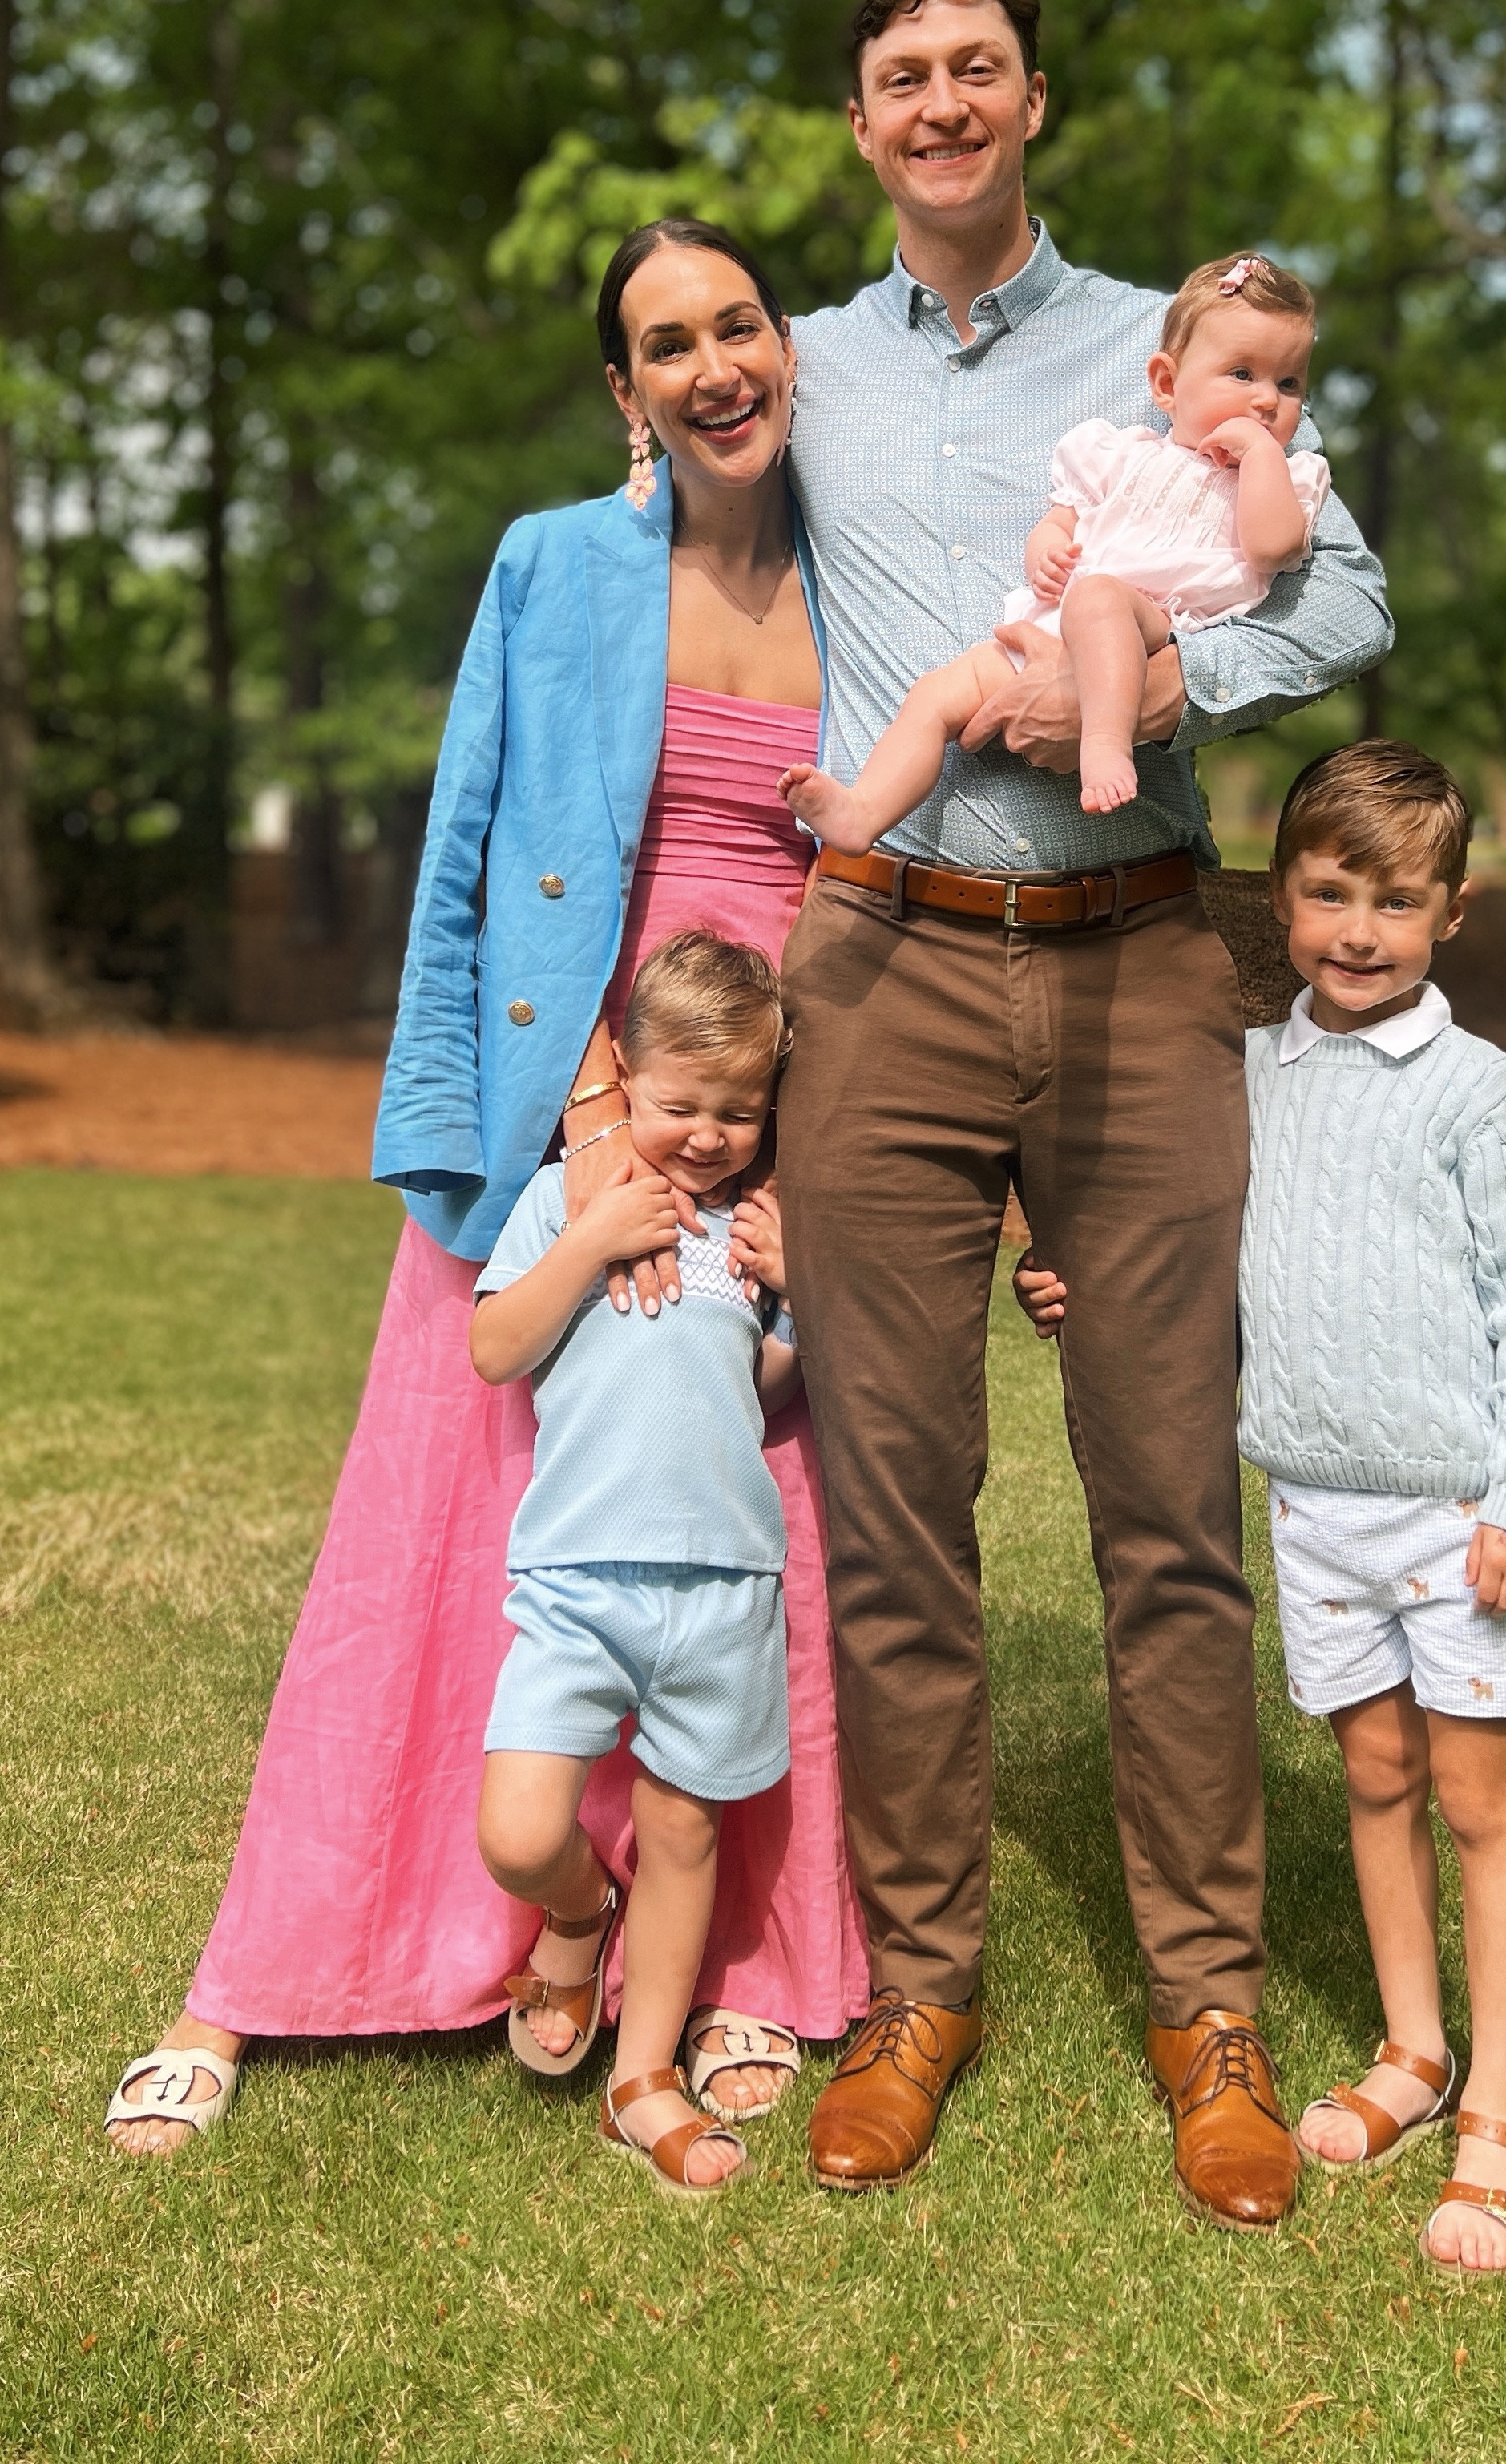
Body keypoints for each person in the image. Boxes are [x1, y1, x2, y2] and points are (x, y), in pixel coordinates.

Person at [104, 219, 869, 2159]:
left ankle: (757, 1966)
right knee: (438, 1537)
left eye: (738, 324)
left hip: (779, 1124)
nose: (713, 364)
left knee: (756, 1523)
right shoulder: (554, 567)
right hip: (575, 1115)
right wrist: (564, 1123)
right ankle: (301, 1966)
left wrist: (832, 1176)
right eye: (665, 343)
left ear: (789, 346)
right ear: (627, 394)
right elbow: (466, 857)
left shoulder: (871, 577)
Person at [775, 0, 1392, 2216]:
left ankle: (1203, 1999)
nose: (941, 103)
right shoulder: (804, 363)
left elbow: (1341, 606)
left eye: (977, 68)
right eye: (900, 76)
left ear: (1031, 100)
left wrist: (1132, 680)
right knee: (890, 1500)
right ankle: (917, 1979)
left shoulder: (1176, 343)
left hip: (1138, 959)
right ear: (860, 125)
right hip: (884, 975)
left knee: (1164, 1512)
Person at [1246, 741, 1506, 2275]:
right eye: (1328, 892)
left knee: (1473, 1796)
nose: (1357, 929)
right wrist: (1067, 1282)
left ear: (1449, 913)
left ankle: (1497, 2111)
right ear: (1280, 895)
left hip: (1456, 1516)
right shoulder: (1253, 1069)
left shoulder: (1477, 1089)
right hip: (1313, 1506)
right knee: (1371, 1776)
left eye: (1395, 899)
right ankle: (1408, 2047)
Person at [471, 931, 800, 2199]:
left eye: (738, 1111)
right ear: (626, 1083)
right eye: (678, 1106)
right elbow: (496, 1348)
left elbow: (761, 1395)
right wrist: (588, 1235)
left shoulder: (749, 1229)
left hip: (722, 1584)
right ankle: (570, 1914)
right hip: (575, 1582)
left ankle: (644, 2077)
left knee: (684, 1834)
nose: (708, 1135)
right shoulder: (568, 1196)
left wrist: (798, 1297)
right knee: (518, 1830)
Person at [779, 251, 1326, 838]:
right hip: (1047, 626)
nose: (1267, 400)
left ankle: (1106, 742)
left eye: (1288, 383)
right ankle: (864, 812)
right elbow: (1062, 518)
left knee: (1099, 598)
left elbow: (1272, 548)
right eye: (1242, 375)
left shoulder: (1286, 477)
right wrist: (1047, 546)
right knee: (933, 695)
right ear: (1166, 384)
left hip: (1151, 621)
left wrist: (1261, 452)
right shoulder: (1122, 450)